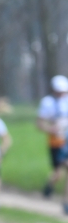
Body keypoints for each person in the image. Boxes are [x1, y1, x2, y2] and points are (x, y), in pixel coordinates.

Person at [37, 74, 68, 214]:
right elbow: (39, 124)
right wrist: (51, 129)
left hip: (67, 140)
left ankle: (65, 202)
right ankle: (49, 185)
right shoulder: (47, 102)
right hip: (56, 142)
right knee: (58, 173)